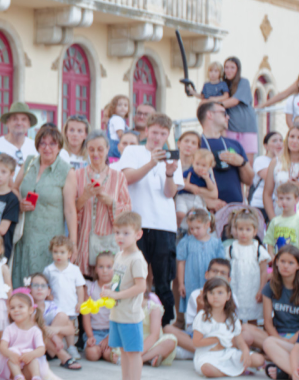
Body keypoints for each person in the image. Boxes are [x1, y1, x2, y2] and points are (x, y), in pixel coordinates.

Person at [113, 113, 181, 325]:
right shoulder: (134, 151)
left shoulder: (172, 157)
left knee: (163, 279)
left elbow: (170, 194)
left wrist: (169, 173)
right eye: (154, 132)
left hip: (164, 224)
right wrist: (152, 163)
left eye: (162, 133)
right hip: (136, 225)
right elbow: (127, 178)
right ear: (147, 132)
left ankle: (165, 325)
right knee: (131, 275)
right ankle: (127, 320)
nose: (157, 137)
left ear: (167, 135)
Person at [13, 124, 77, 284]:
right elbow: (13, 188)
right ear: (37, 145)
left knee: (45, 285)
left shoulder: (66, 171)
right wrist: (19, 203)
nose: (47, 147)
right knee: (23, 282)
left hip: (50, 240)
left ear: (59, 146)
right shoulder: (28, 163)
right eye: (43, 143)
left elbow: (70, 210)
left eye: (52, 143)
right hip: (24, 235)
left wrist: (73, 243)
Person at [102, 212, 149, 380]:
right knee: (123, 350)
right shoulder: (120, 255)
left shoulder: (137, 259)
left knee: (133, 352)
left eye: (126, 233)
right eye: (117, 232)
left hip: (130, 315)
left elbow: (140, 286)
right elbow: (118, 279)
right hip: (117, 313)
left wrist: (117, 295)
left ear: (138, 234)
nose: (120, 237)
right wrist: (109, 289)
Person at [73, 131, 130, 275]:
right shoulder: (77, 175)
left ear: (107, 149)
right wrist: (85, 196)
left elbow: (128, 209)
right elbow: (70, 209)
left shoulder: (119, 176)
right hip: (84, 237)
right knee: (84, 279)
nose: (95, 153)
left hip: (109, 237)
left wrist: (111, 202)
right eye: (91, 149)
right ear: (86, 150)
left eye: (100, 149)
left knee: (108, 279)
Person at [256, 246, 299, 378]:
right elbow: (268, 322)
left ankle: (287, 371)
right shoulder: (269, 287)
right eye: (282, 261)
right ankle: (295, 372)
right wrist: (278, 340)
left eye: (290, 263)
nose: (285, 266)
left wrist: (289, 342)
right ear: (276, 262)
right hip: (277, 334)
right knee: (246, 331)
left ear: (298, 266)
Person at [191, 277, 262, 378]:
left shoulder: (232, 317)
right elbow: (196, 342)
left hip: (227, 353)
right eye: (211, 293)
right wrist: (216, 339)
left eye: (220, 293)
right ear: (206, 296)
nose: (215, 296)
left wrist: (245, 351)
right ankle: (234, 372)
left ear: (228, 295)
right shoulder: (203, 316)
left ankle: (233, 369)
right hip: (207, 356)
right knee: (208, 370)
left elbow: (240, 341)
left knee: (259, 359)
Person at [196, 101, 253, 207]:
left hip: (234, 208)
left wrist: (241, 163)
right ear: (210, 115)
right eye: (224, 113)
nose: (228, 117)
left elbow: (250, 181)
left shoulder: (234, 144)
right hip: (206, 210)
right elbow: (185, 182)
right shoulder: (195, 144)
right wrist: (208, 202)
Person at [42, 236, 86, 364]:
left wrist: (80, 302)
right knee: (58, 325)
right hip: (55, 305)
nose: (58, 255)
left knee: (70, 326)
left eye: (62, 252)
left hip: (70, 304)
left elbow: (79, 287)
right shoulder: (49, 270)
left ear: (69, 254)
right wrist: (47, 295)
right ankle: (57, 346)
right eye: (55, 252)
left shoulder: (74, 270)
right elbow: (45, 284)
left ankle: (71, 347)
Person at [176, 208, 224, 317]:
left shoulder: (216, 243)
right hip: (191, 281)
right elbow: (181, 263)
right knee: (192, 304)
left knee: (211, 302)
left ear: (207, 225)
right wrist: (181, 283)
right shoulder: (186, 242)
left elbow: (221, 264)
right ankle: (192, 327)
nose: (194, 231)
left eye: (198, 228)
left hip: (210, 281)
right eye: (191, 228)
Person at [1, 291, 51, 380]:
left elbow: (41, 349)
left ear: (30, 310)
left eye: (20, 306)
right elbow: (3, 347)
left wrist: (32, 354)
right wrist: (11, 354)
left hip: (29, 366)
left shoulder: (35, 330)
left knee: (33, 359)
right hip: (14, 367)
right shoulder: (9, 329)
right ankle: (18, 379)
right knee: (12, 353)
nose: (16, 310)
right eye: (12, 308)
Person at [214, 57, 258, 156]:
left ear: (238, 69)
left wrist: (214, 106)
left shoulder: (243, 82)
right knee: (231, 157)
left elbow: (234, 101)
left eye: (232, 67)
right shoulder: (222, 85)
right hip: (230, 127)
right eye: (226, 67)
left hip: (247, 127)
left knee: (247, 162)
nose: (229, 70)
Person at [82, 252, 119, 365]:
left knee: (110, 355)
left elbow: (119, 315)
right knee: (92, 354)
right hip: (95, 332)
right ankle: (100, 350)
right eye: (101, 267)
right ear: (96, 269)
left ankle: (107, 352)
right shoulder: (90, 288)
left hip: (113, 331)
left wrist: (109, 337)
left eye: (109, 267)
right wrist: (90, 336)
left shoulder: (118, 289)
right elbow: (86, 314)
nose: (105, 270)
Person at [266, 182, 299, 261]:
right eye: (281, 198)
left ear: (296, 200)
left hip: (294, 262)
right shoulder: (274, 221)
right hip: (278, 262)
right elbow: (269, 242)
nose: (284, 202)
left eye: (288, 198)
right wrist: (272, 258)